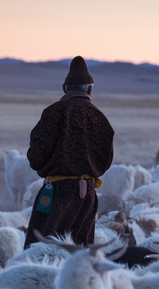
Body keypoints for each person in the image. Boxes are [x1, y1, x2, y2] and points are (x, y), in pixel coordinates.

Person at [24, 56, 115, 249]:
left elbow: (36, 156)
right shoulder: (100, 118)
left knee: (41, 250)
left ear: (65, 88)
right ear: (90, 89)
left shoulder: (53, 113)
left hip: (57, 192)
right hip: (88, 195)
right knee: (81, 251)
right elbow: (106, 161)